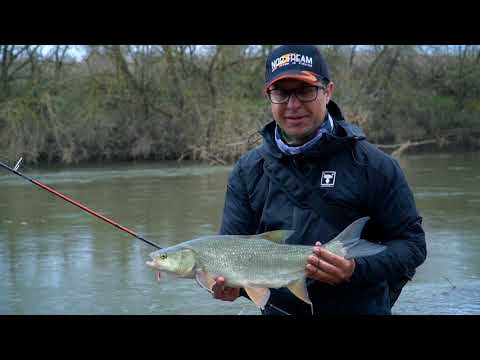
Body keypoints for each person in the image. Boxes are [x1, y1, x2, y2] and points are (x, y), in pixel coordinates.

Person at [212, 45, 427, 315]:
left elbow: (413, 246)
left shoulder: (374, 165)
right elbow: (230, 255)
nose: (292, 105)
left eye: (304, 91)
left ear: (328, 92)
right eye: (281, 93)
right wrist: (232, 287)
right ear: (269, 96)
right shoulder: (247, 171)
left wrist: (354, 270)